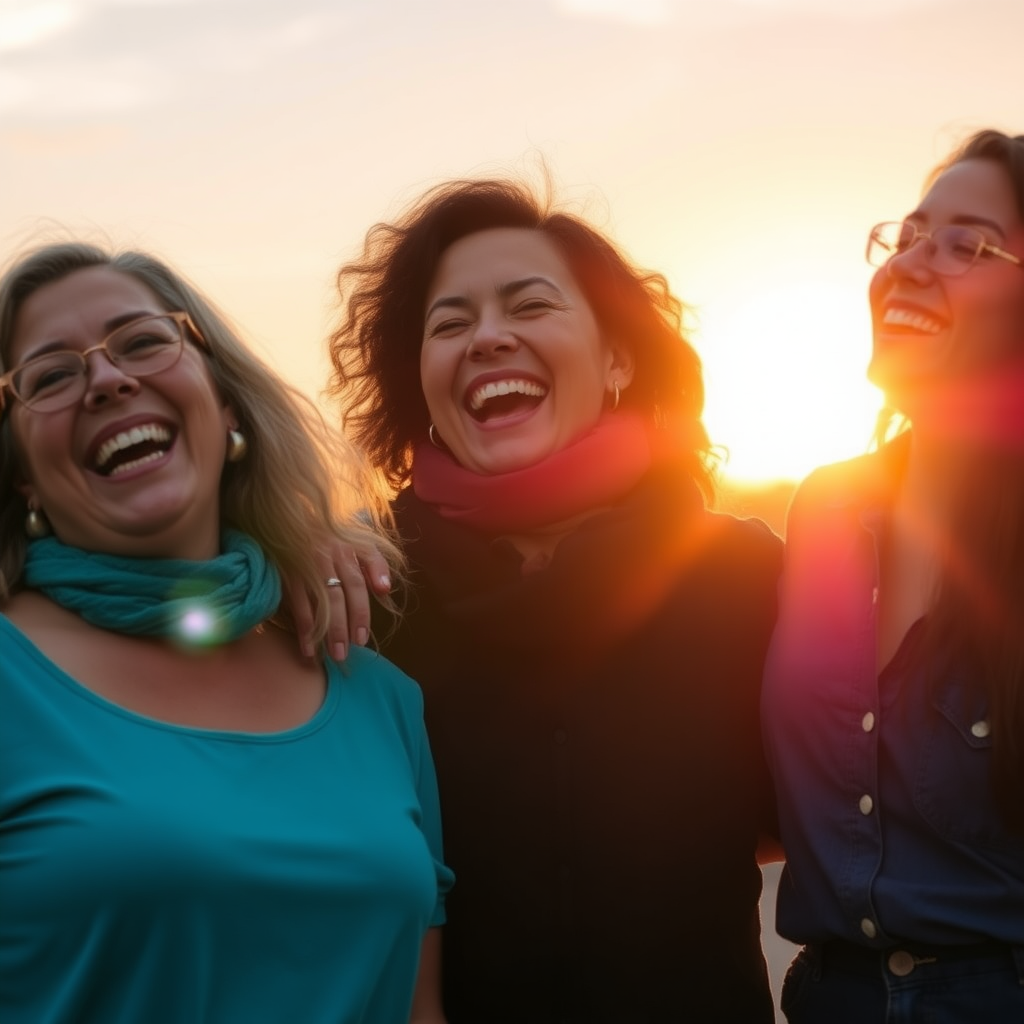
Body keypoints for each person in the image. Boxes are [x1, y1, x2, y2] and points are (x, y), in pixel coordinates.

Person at [328, 179, 783, 1023]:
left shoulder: (744, 575)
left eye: (529, 305)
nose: (489, 337)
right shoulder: (362, 591)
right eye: (450, 322)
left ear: (618, 358)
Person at [0, 242, 453, 1024]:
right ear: (20, 474)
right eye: (50, 376)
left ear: (228, 403)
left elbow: (420, 1008)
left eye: (143, 341)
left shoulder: (376, 693)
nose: (107, 379)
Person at [762, 128, 1024, 1022]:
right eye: (910, 235)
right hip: (830, 998)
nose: (914, 262)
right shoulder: (825, 511)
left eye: (968, 245)